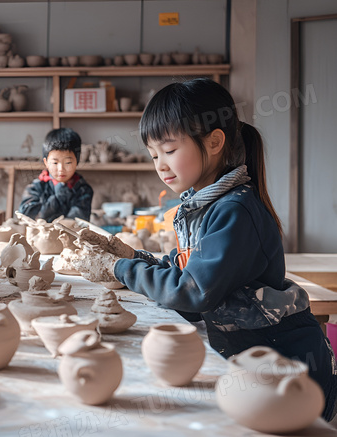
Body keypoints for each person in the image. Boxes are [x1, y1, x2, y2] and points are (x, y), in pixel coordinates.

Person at [75, 78, 336, 421]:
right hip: (244, 359)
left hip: (285, 374)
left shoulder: (235, 211)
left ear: (214, 142)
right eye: (154, 155)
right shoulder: (204, 204)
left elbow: (195, 292)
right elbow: (187, 267)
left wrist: (119, 269)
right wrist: (133, 257)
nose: (160, 165)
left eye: (169, 151)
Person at [18, 128, 93, 222]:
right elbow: (29, 217)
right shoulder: (35, 188)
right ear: (46, 162)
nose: (61, 169)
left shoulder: (83, 189)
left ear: (77, 162)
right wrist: (59, 195)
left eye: (68, 162)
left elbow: (76, 222)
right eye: (55, 163)